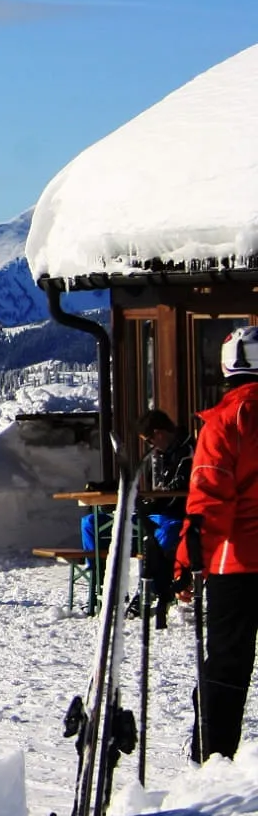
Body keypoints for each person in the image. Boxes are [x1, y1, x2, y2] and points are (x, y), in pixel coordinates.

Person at [178, 326, 258, 761]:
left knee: (227, 665)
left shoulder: (225, 422)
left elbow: (209, 504)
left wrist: (188, 565)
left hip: (237, 563)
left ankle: (214, 761)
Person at [141, 408, 194, 627]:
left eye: (149, 440)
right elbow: (153, 486)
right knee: (91, 524)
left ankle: (156, 592)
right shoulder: (158, 456)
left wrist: (156, 499)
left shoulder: (186, 451)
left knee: (160, 535)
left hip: (179, 512)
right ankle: (105, 585)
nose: (151, 446)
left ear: (159, 433)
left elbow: (180, 487)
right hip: (160, 510)